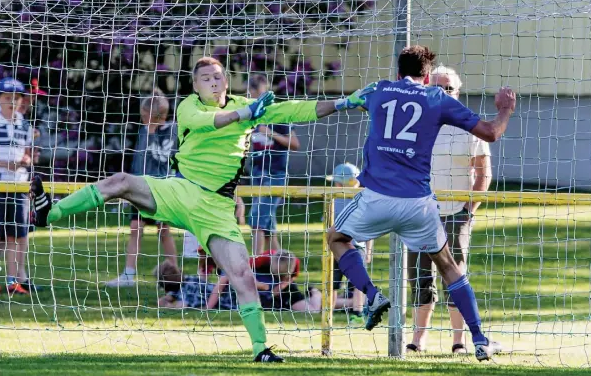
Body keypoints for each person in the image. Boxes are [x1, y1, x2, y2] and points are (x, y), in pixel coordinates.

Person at [30, 56, 371, 363]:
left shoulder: (249, 106)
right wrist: (245, 115)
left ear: (226, 81)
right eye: (205, 77)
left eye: (218, 76)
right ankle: (51, 213)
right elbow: (212, 122)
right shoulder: (189, 107)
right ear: (195, 85)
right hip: (179, 190)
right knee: (121, 180)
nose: (212, 81)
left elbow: (299, 110)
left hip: (216, 207)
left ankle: (260, 349)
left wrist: (345, 102)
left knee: (243, 277)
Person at [326, 45, 516, 361]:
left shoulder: (377, 90)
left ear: (397, 72)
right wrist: (505, 109)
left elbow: (344, 104)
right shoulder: (436, 98)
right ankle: (479, 340)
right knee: (450, 268)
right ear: (427, 76)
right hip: (418, 204)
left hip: (377, 197)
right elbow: (491, 132)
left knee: (337, 238)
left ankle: (372, 295)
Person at [406, 65, 492, 355]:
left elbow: (483, 172)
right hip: (420, 211)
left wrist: (469, 208)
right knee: (419, 277)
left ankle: (459, 341)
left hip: (456, 212)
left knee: (455, 276)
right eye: (438, 87)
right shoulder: (419, 121)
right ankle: (417, 340)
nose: (444, 93)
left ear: (458, 90)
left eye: (449, 88)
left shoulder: (468, 124)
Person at [105, 90, 179, 288]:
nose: (142, 119)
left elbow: (168, 160)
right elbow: (139, 162)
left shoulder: (172, 131)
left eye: (145, 115)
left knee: (163, 230)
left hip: (161, 190)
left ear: (154, 115)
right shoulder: (143, 132)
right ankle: (128, 274)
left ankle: (173, 272)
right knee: (135, 228)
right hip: (140, 189)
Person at [247, 74, 300, 256]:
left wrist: (270, 133)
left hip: (275, 174)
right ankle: (285, 272)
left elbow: (295, 144)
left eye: (256, 95)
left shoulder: (280, 115)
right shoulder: (251, 115)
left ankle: (255, 267)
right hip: (257, 173)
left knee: (257, 219)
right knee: (268, 225)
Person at [0, 78, 34, 295]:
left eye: (16, 98)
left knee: (15, 234)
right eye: (7, 98)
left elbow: (28, 152)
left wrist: (26, 160)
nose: (12, 102)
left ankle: (14, 281)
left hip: (19, 184)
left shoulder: (24, 124)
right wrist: (5, 164)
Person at [327, 163, 373, 324]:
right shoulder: (361, 199)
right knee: (352, 283)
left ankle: (336, 314)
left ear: (340, 183)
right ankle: (352, 314)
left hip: (342, 247)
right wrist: (369, 250)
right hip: (354, 248)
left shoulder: (335, 200)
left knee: (337, 283)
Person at [207, 249, 321, 313]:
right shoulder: (260, 261)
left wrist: (280, 286)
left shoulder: (294, 263)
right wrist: (208, 308)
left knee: (313, 311)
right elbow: (224, 279)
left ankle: (315, 292)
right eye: (275, 274)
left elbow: (292, 278)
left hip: (286, 287)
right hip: (272, 291)